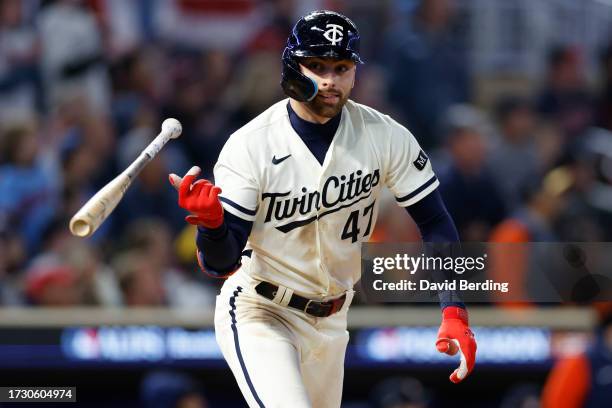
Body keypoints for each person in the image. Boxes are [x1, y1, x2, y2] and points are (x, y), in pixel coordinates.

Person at [169, 10, 476, 407]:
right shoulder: (252, 145)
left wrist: (454, 308)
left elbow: (435, 221)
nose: (330, 79)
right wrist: (211, 226)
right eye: (316, 66)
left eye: (341, 67)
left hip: (333, 320)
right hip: (262, 311)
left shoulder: (384, 135)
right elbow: (220, 263)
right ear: (292, 68)